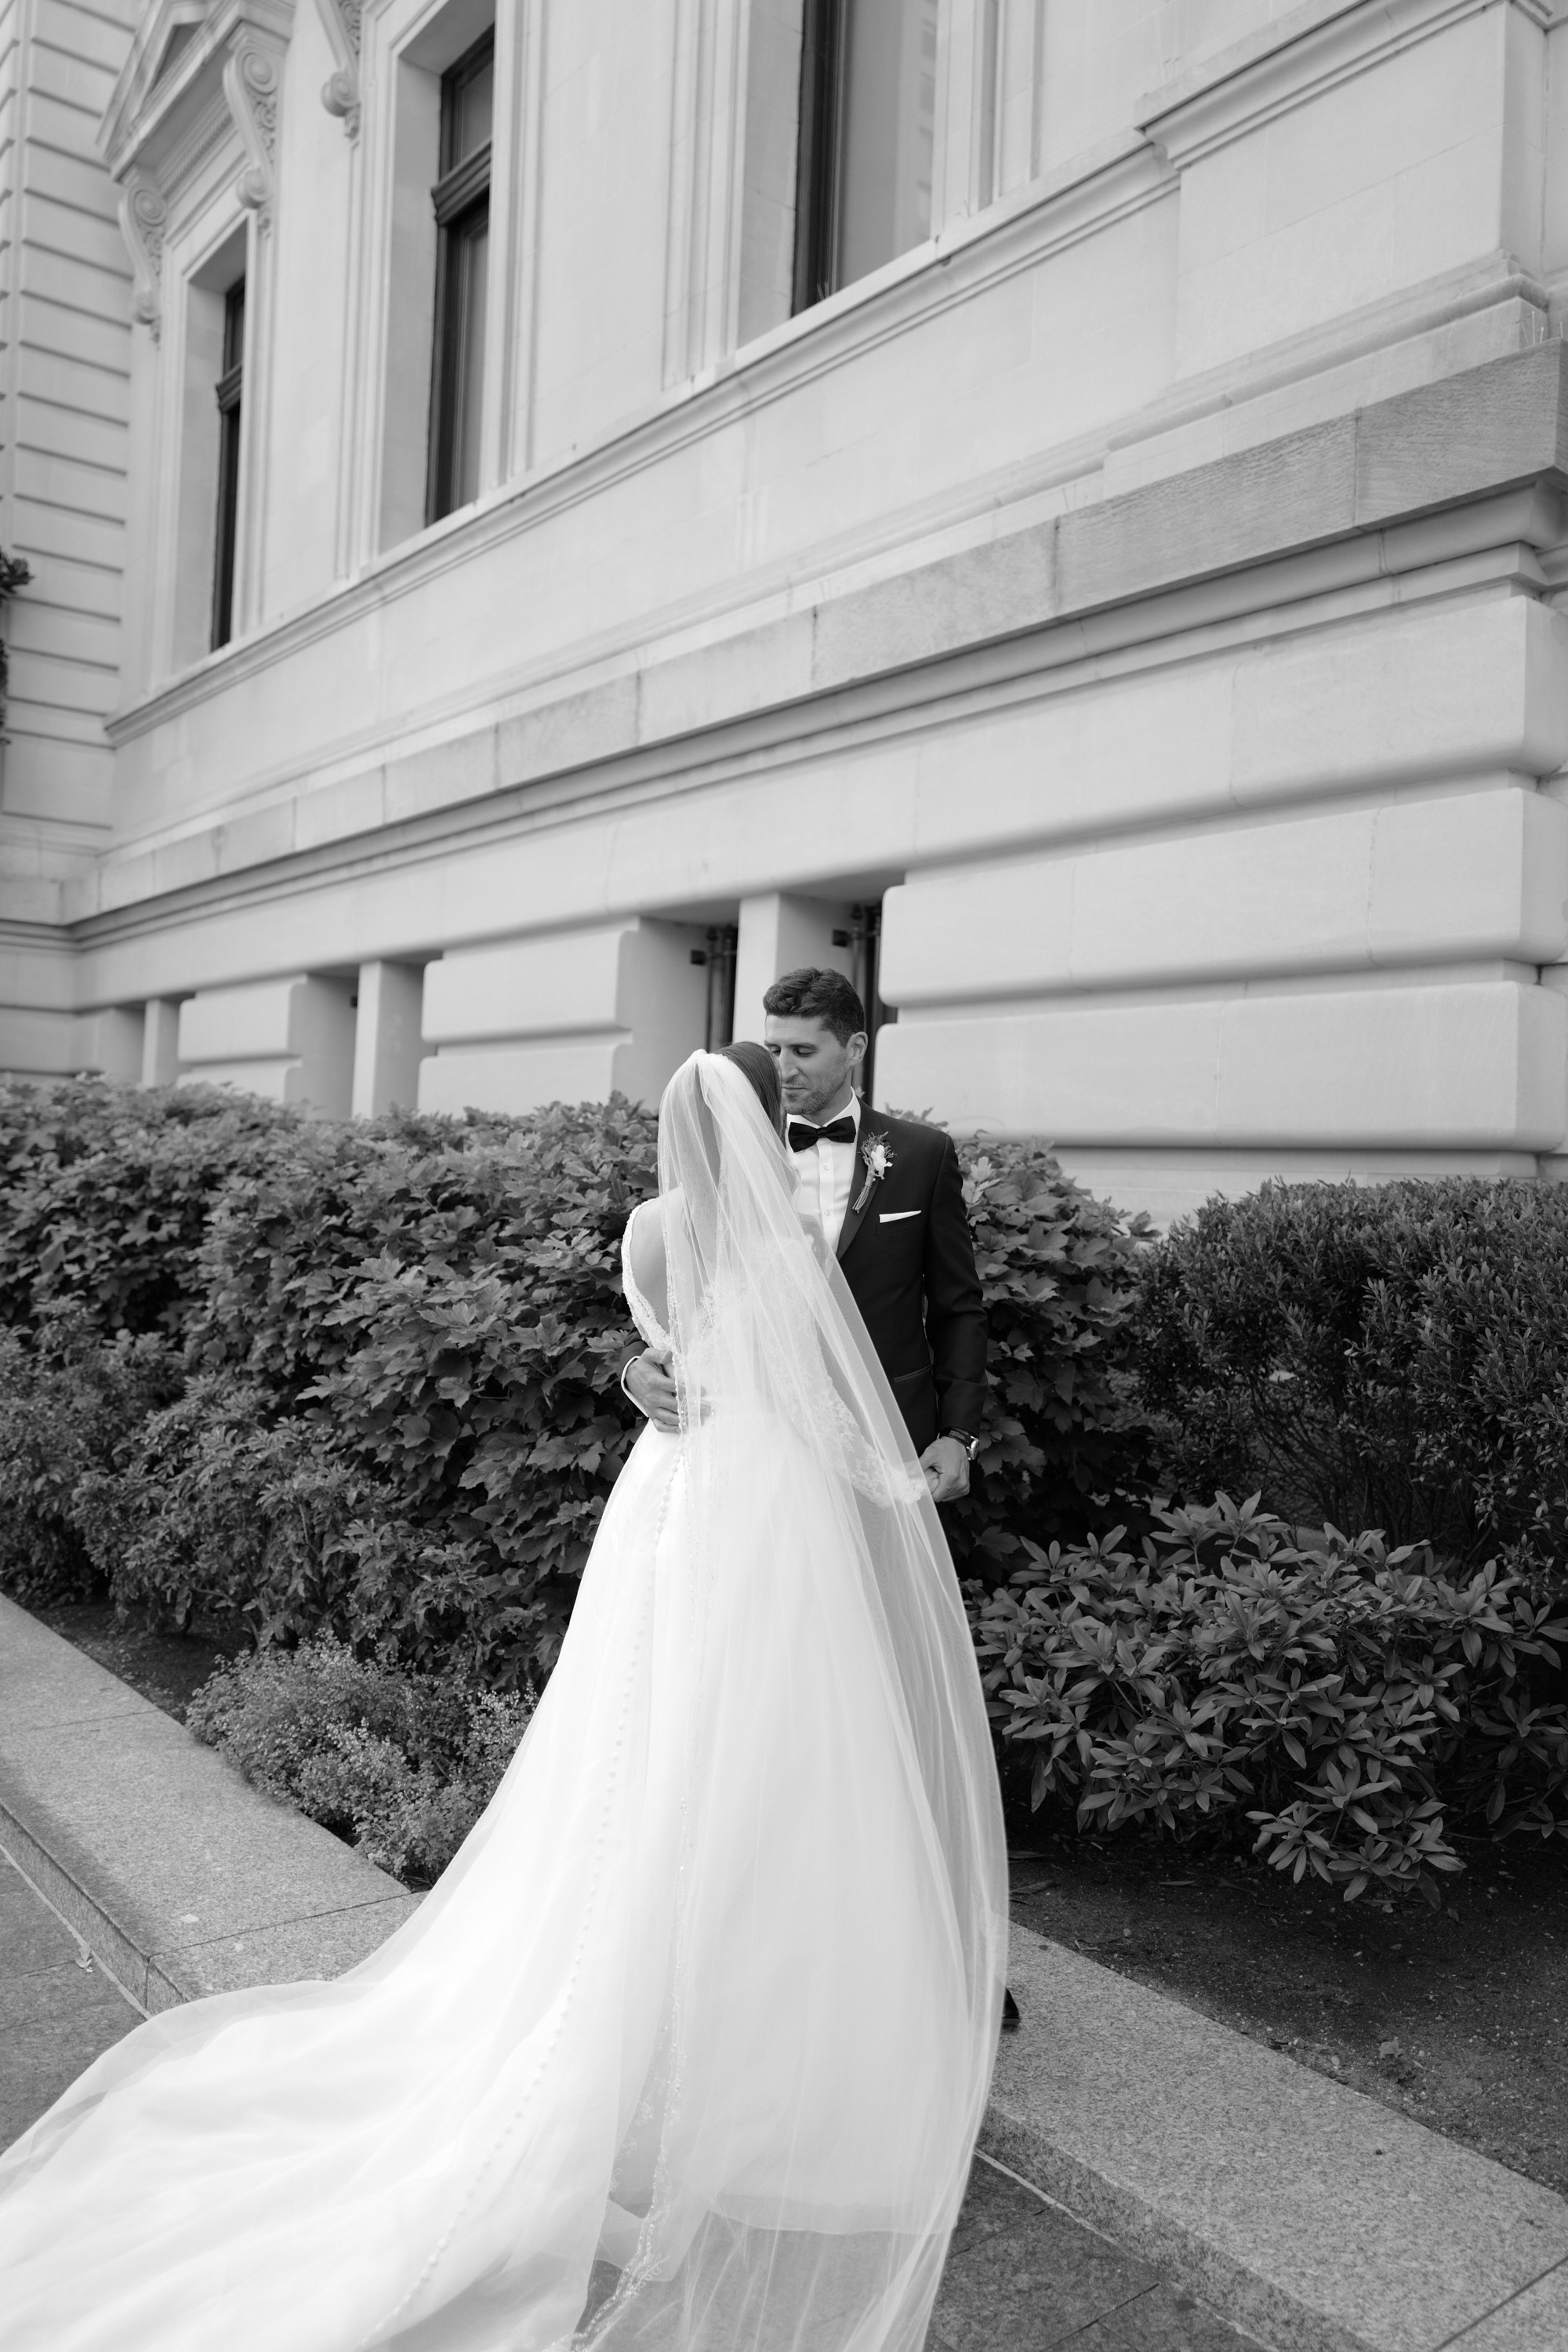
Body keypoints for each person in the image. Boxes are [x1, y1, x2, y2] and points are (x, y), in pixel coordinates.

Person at [0, 1045, 1008, 2352]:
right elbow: (810, 1400)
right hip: (764, 1509)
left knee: (646, 1740)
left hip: (671, 1502)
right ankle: (749, 2037)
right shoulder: (780, 1245)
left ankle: (649, 1985)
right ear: (765, 1126)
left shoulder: (650, 1228)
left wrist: (653, 1377)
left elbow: (663, 1350)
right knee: (765, 1751)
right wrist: (891, 1484)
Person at [623, 968, 988, 1511]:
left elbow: (958, 1306)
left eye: (803, 1050)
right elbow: (668, 1292)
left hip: (888, 1430)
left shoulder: (923, 1155)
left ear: (855, 1047)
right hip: (758, 1454)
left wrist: (960, 1434)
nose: (782, 1069)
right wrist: (635, 1372)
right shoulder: (716, 1161)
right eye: (772, 1048)